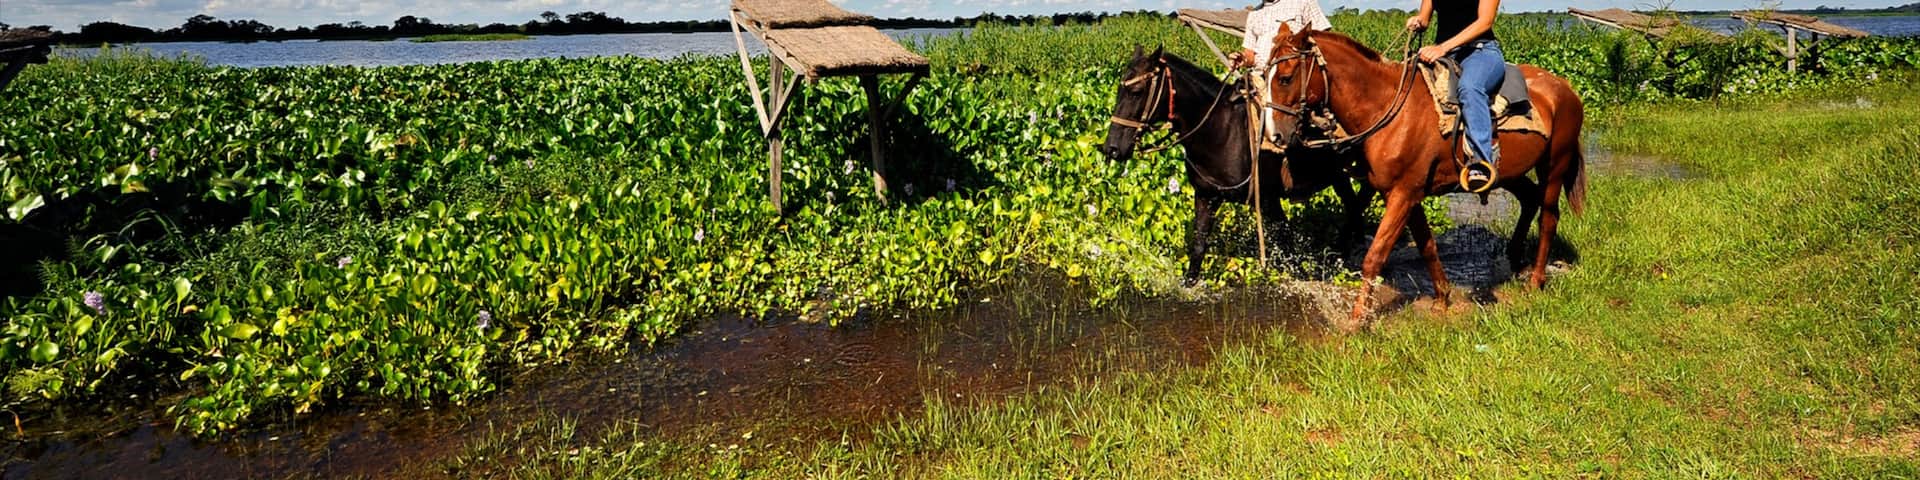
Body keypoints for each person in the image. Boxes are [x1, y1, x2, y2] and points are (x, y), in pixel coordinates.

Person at [1407, 0, 1502, 193]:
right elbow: (1425, 20)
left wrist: (1442, 47)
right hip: (1446, 54)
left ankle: (1481, 161)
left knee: (1470, 87)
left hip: (1481, 51)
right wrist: (1417, 21)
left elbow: (1485, 22)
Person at [1231, 0, 1334, 70]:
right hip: (1261, 77)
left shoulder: (1303, 2)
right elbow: (1250, 54)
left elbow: (1324, 38)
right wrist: (1242, 58)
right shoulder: (1254, 14)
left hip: (1294, 77)